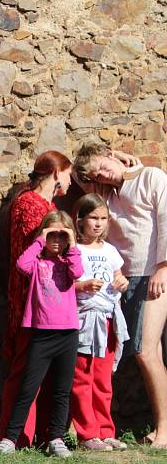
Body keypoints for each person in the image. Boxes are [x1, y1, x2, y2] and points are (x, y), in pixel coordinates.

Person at [73, 143, 167, 448]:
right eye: (96, 173)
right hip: (123, 281)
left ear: (111, 154)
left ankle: (164, 430)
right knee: (133, 352)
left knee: (145, 350)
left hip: (154, 275)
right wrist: (105, 167)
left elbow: (166, 222)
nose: (102, 173)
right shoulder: (106, 196)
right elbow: (76, 176)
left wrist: (163, 268)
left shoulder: (151, 177)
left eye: (103, 164)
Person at [0, 211, 83, 458]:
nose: (56, 240)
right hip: (41, 334)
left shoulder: (68, 262)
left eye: (61, 235)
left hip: (67, 334)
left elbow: (78, 273)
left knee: (61, 390)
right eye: (51, 234)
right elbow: (21, 265)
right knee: (28, 388)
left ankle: (56, 438)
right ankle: (10, 438)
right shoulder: (37, 262)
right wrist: (39, 240)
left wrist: (72, 243)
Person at [0, 151, 72, 448]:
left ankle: (44, 433)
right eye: (67, 174)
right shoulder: (29, 204)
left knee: (48, 375)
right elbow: (31, 255)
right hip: (32, 298)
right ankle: (15, 435)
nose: (69, 180)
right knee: (25, 371)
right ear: (56, 173)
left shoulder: (47, 205)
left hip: (52, 303)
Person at [70, 193, 129, 451]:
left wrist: (122, 283)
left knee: (103, 379)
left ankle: (106, 431)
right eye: (93, 217)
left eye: (103, 218)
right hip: (84, 319)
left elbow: (119, 277)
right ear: (80, 219)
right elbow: (63, 284)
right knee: (83, 376)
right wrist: (82, 285)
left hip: (108, 319)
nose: (98, 223)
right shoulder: (75, 250)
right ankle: (87, 433)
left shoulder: (110, 250)